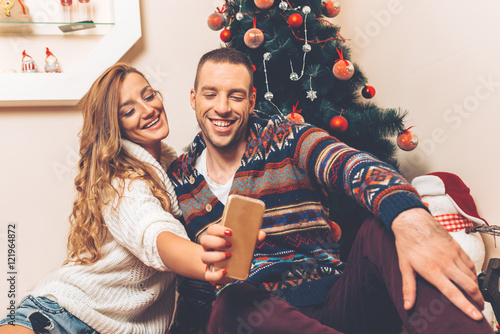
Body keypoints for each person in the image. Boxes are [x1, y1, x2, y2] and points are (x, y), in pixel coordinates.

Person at [167, 47, 494, 333]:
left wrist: (409, 214)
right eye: (210, 94)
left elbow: (351, 166)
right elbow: (193, 286)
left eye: (235, 95)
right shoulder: (179, 178)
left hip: (338, 303)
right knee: (231, 303)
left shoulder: (288, 137)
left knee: (386, 225)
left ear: (252, 100)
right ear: (194, 98)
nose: (222, 107)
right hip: (259, 320)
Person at [0, 63, 227, 334]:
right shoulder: (121, 182)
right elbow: (153, 233)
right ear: (114, 126)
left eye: (149, 95)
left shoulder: (174, 171)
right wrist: (209, 262)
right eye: (129, 111)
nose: (148, 110)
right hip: (62, 317)